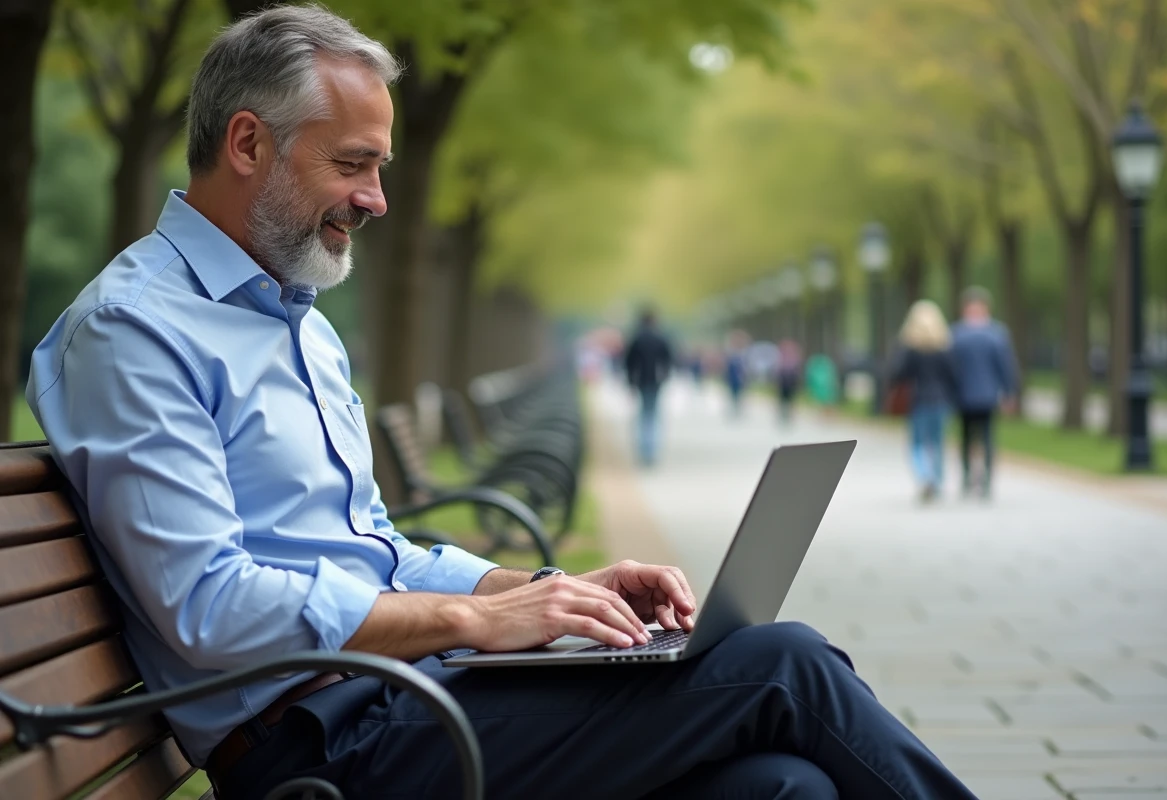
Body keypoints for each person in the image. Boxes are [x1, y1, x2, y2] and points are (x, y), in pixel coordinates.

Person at [26, 7, 980, 799]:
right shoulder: (132, 332)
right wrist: (470, 624)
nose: (378, 198)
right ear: (247, 143)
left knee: (781, 787)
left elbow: (379, 549)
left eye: (383, 168)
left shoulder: (297, 321)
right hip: (322, 752)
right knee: (783, 665)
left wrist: (535, 592)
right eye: (354, 164)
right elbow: (210, 608)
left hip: (405, 700)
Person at [951, 287, 1018, 498]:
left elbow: (1005, 366)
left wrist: (1008, 391)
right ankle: (978, 477)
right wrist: (1009, 391)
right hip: (980, 395)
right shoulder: (996, 334)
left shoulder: (956, 333)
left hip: (971, 395)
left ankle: (973, 477)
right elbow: (1006, 366)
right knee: (977, 438)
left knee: (974, 438)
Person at [891, 301, 959, 502]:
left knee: (918, 443)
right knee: (937, 442)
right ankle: (936, 480)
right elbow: (953, 375)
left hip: (918, 399)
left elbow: (898, 373)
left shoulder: (910, 348)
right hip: (941, 400)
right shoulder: (944, 347)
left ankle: (924, 476)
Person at [623, 308, 673, 465]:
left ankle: (644, 450)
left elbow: (629, 363)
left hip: (641, 382)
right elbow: (668, 360)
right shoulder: (660, 338)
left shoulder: (636, 339)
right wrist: (664, 378)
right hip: (656, 382)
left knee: (644, 415)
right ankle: (651, 451)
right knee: (652, 415)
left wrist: (631, 383)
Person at [775, 338, 803, 423]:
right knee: (783, 400)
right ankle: (783, 415)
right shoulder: (781, 358)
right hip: (783, 383)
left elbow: (797, 372)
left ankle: (789, 415)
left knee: (790, 400)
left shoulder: (793, 359)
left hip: (790, 383)